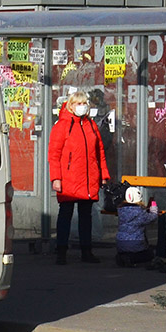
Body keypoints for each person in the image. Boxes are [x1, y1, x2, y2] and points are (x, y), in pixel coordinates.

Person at [48, 91, 110, 264]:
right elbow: (54, 154)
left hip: (88, 178)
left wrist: (103, 175)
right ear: (71, 105)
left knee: (86, 215)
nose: (81, 106)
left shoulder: (91, 125)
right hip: (68, 178)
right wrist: (56, 178)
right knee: (65, 214)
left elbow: (99, 153)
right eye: (78, 103)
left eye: (84, 103)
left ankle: (86, 251)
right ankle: (61, 252)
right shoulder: (62, 126)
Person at [115, 186, 158, 267]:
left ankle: (122, 256)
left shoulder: (121, 211)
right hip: (135, 242)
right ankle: (130, 259)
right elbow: (152, 217)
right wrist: (154, 208)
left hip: (120, 242)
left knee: (126, 250)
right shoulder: (140, 212)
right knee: (149, 254)